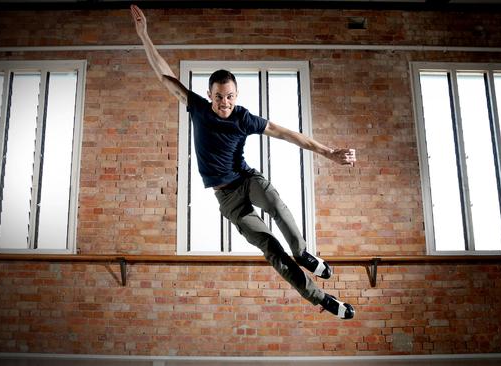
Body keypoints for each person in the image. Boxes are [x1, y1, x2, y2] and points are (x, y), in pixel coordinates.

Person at [130, 5, 356, 319]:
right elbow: (166, 75)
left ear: (236, 95)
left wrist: (327, 152)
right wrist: (144, 35)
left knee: (276, 204)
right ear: (209, 94)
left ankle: (303, 252)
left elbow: (284, 132)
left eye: (230, 97)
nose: (225, 103)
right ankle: (321, 298)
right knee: (270, 249)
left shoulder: (243, 118)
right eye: (219, 96)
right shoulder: (197, 107)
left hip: (248, 180)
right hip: (227, 198)